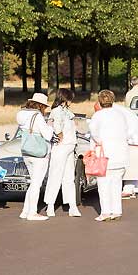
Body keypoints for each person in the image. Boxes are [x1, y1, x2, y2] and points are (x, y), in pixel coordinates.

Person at [88, 90, 131, 221]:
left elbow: (94, 134)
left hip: (105, 154)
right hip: (121, 153)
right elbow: (126, 132)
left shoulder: (98, 116)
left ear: (100, 102)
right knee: (117, 184)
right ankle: (116, 211)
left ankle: (105, 212)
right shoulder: (120, 115)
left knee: (103, 184)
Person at [16, 93, 55, 221]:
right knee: (36, 184)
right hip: (39, 153)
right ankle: (32, 212)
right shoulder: (37, 116)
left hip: (27, 151)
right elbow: (47, 135)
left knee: (33, 183)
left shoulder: (21, 114)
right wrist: (50, 125)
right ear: (40, 105)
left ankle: (25, 211)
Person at [44, 88, 82, 217]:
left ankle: (72, 205)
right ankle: (50, 204)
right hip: (61, 146)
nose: (71, 101)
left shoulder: (66, 111)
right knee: (55, 176)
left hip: (69, 146)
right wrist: (60, 136)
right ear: (65, 98)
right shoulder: (56, 111)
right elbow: (57, 126)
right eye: (70, 98)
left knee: (69, 178)